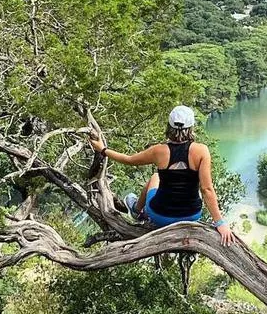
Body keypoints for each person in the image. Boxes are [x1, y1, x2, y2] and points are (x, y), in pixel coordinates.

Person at [88, 105, 234, 246]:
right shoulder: (202, 151)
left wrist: (103, 149)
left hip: (160, 215)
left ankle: (136, 211)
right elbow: (206, 189)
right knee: (191, 188)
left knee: (155, 177)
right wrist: (220, 223)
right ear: (191, 128)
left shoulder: (158, 151)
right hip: (191, 216)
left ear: (169, 126)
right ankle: (138, 210)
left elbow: (129, 160)